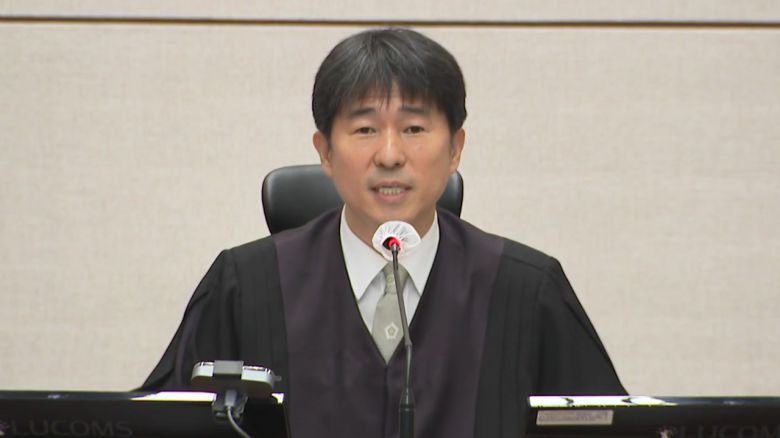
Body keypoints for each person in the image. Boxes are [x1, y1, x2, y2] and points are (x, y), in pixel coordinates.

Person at [142, 27, 625, 438]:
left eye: (414, 129)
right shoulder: (246, 286)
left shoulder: (526, 291)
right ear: (325, 152)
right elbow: (151, 425)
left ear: (455, 149)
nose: (390, 155)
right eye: (365, 130)